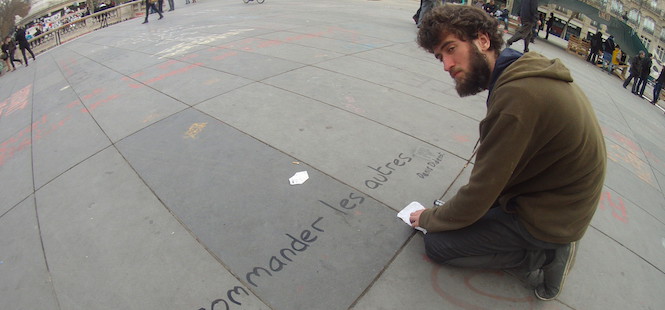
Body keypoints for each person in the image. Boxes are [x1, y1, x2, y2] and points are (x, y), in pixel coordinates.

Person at [413, 4, 606, 301]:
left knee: (438, 245)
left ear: (483, 40)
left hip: (551, 216)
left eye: (451, 49)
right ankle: (549, 241)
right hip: (554, 194)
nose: (447, 64)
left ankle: (542, 257)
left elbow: (479, 194)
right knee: (460, 216)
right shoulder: (519, 69)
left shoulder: (517, 98)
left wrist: (428, 218)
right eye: (440, 57)